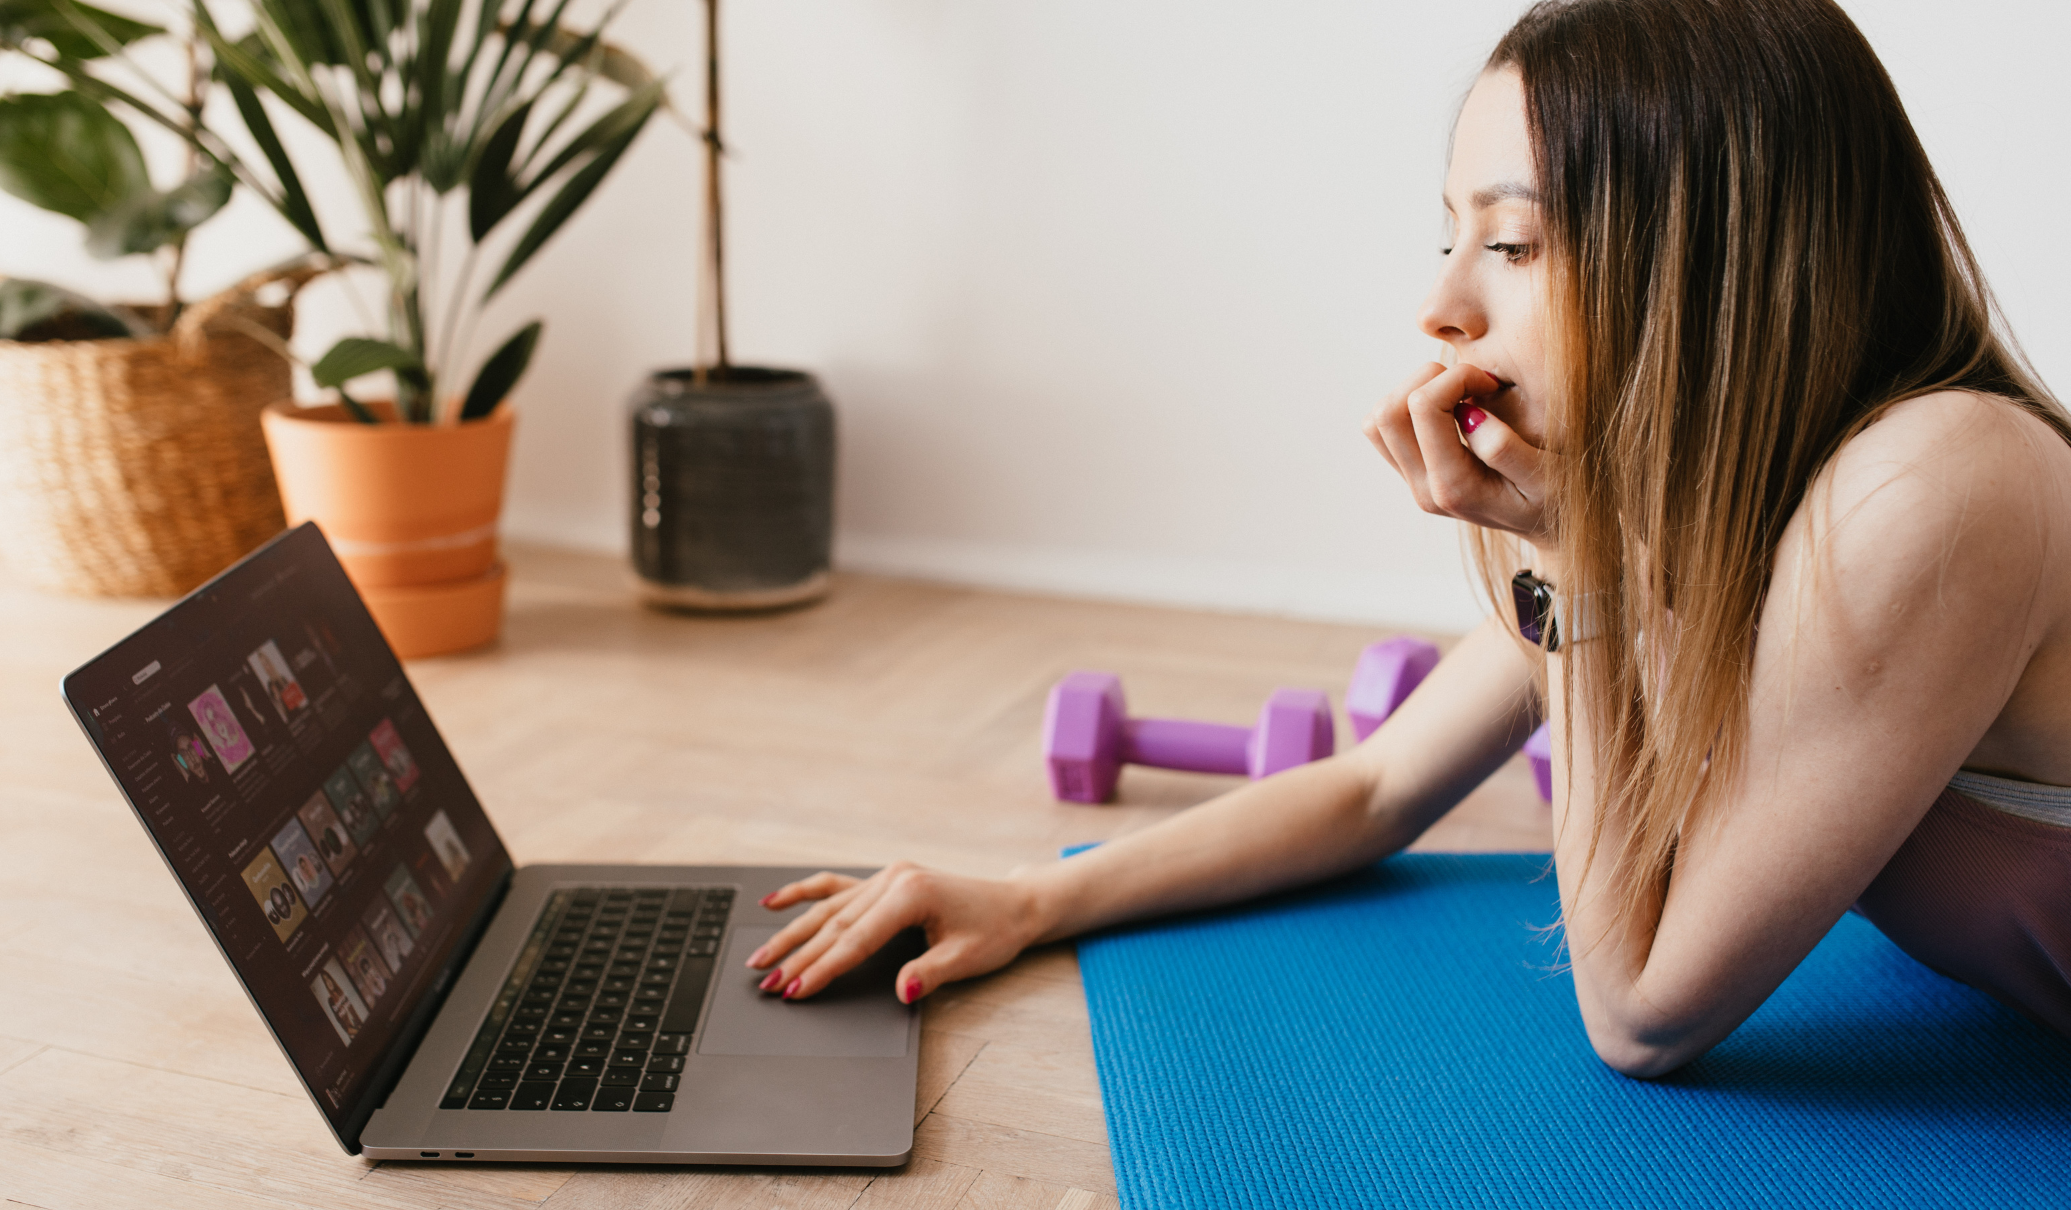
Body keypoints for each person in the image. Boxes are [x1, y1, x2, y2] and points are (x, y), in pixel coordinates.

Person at [745, 0, 2071, 1075]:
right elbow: (1378, 788)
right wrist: (1027, 899)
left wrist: (1578, 573)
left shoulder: (1938, 486)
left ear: (1710, 255)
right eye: (1449, 236)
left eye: (1513, 240)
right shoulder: (1669, 502)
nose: (1440, 304)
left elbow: (1647, 1016)